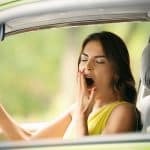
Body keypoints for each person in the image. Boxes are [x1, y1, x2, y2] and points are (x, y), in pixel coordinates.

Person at [0, 31, 142, 141]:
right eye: (84, 59)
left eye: (99, 61)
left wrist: (82, 115)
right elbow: (29, 142)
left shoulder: (123, 112)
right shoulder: (77, 108)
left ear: (116, 72)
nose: (87, 66)